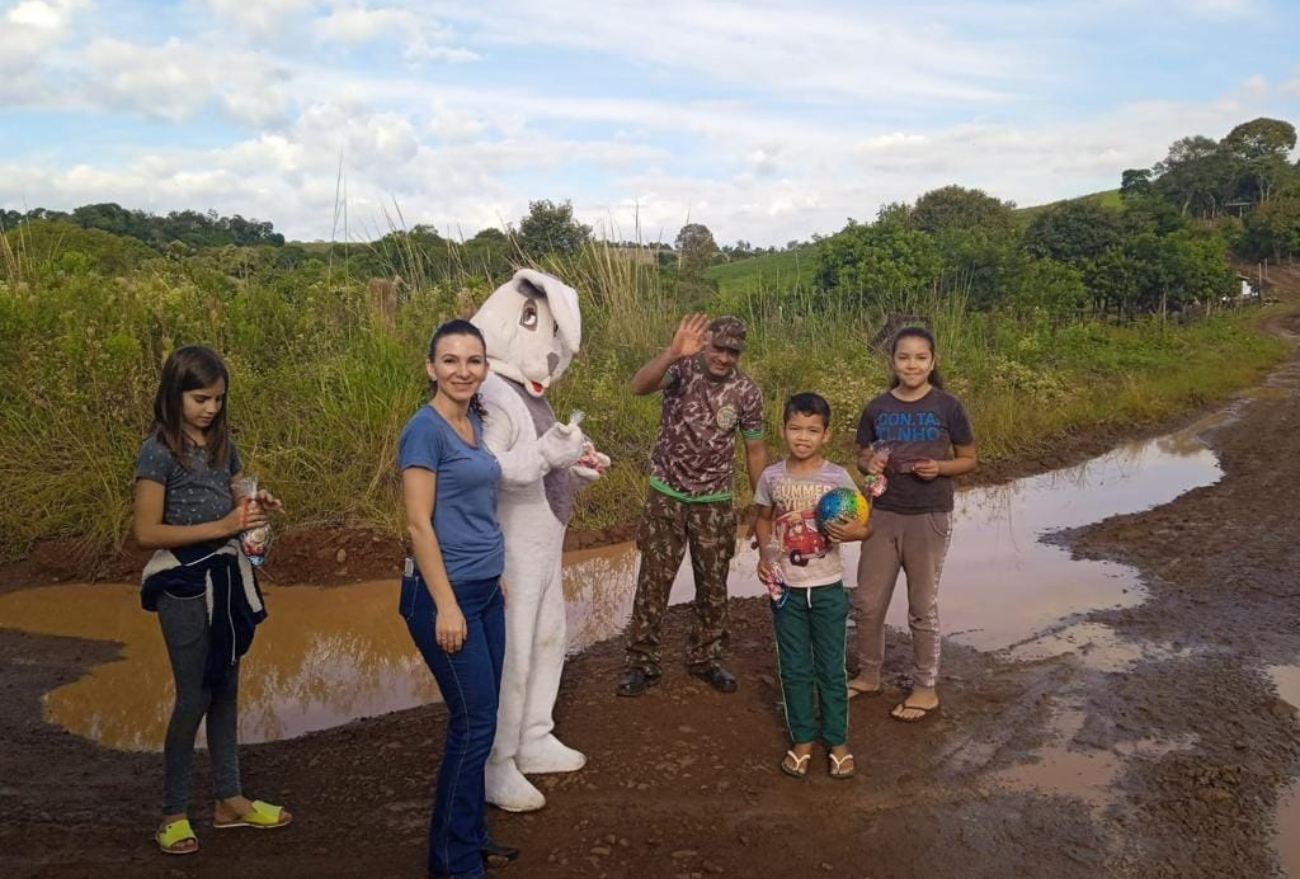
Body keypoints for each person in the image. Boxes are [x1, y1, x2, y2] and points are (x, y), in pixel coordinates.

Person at [133, 345, 292, 856]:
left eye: (218, 399)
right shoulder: (158, 451)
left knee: (224, 687)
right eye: (200, 398)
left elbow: (233, 500)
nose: (210, 409)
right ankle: (174, 812)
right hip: (181, 582)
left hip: (227, 575)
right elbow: (146, 531)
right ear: (174, 393)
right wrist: (224, 525)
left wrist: (252, 505)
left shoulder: (225, 447)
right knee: (193, 695)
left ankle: (230, 800)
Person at [398, 319, 518, 879]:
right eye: (450, 360)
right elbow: (419, 526)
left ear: (485, 368)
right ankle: (451, 862)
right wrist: (446, 604)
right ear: (431, 367)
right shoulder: (424, 431)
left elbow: (473, 509)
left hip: (483, 590)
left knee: (483, 720)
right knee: (472, 724)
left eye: (473, 360)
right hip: (443, 596)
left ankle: (469, 837)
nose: (462, 371)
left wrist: (492, 573)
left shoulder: (472, 421)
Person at [618, 314, 768, 697]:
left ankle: (707, 658)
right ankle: (641, 662)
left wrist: (762, 504)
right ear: (705, 344)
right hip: (667, 493)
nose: (723, 357)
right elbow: (638, 386)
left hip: (715, 500)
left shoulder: (747, 391)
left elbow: (755, 450)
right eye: (718, 348)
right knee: (653, 580)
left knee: (714, 584)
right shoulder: (681, 370)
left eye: (732, 351)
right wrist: (671, 352)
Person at [849, 327, 977, 722]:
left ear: (932, 362)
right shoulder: (877, 408)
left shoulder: (948, 407)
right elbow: (861, 455)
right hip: (882, 514)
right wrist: (868, 464)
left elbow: (969, 459)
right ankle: (869, 675)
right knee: (867, 603)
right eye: (904, 357)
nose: (912, 365)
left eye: (921, 357)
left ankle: (925, 688)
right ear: (893, 362)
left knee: (922, 607)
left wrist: (939, 468)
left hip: (929, 515)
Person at [754, 393, 872, 779]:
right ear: (783, 429)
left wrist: (854, 531)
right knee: (793, 667)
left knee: (831, 668)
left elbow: (864, 526)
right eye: (795, 428)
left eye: (812, 430)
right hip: (786, 588)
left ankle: (837, 741)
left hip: (827, 588)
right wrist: (766, 557)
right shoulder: (772, 476)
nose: (802, 437)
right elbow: (763, 519)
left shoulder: (837, 477)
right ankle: (802, 738)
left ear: (825, 434)